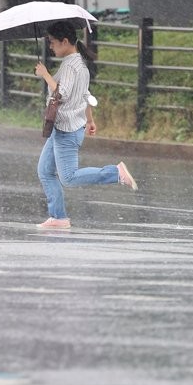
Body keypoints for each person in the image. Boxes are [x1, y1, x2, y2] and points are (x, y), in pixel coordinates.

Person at [35, 21, 138, 230]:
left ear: (65, 41)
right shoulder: (77, 64)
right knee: (45, 171)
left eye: (53, 42)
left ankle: (115, 173)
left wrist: (45, 74)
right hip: (63, 127)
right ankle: (58, 217)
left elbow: (60, 94)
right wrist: (90, 120)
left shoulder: (72, 67)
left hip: (66, 131)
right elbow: (84, 96)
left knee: (69, 178)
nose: (51, 47)